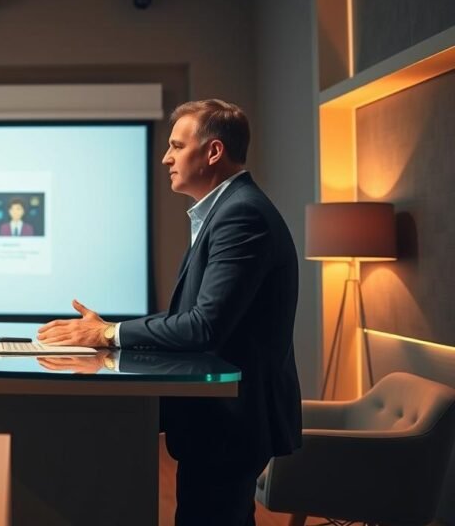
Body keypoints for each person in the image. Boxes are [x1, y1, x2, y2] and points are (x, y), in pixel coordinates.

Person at [36, 99, 302, 526]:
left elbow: (203, 326)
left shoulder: (241, 215)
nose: (166, 158)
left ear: (213, 152)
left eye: (177, 146)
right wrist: (111, 331)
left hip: (232, 417)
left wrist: (107, 334)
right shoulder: (226, 210)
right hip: (221, 417)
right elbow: (200, 317)